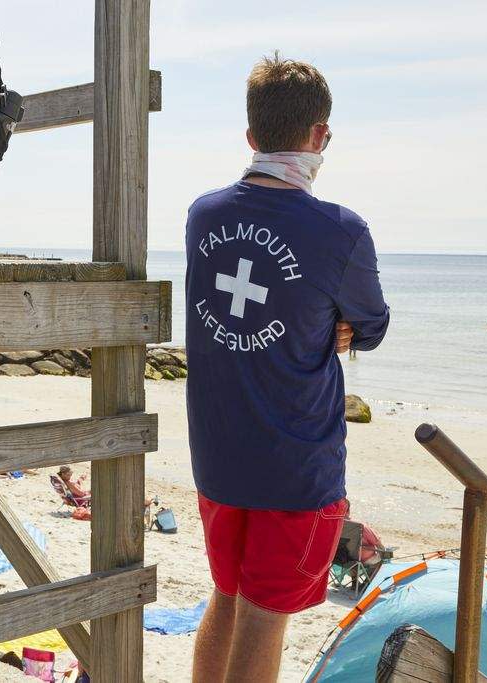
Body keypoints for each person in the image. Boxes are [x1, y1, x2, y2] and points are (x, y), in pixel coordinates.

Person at [185, 54, 390, 682]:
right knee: (264, 616)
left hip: (217, 456)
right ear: (320, 136)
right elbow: (372, 325)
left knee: (227, 597)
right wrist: (341, 325)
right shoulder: (341, 232)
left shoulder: (204, 216)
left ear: (251, 137)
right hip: (295, 463)